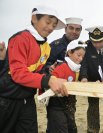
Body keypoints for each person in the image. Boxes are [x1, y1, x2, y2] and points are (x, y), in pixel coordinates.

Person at [0, 5, 68, 133]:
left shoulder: (47, 47)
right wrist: (48, 80)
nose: (50, 28)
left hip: (28, 99)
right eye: (47, 22)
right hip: (8, 98)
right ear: (34, 19)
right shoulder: (20, 38)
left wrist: (49, 74)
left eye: (53, 25)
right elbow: (18, 73)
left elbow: (38, 70)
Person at [44, 17, 83, 133]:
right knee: (55, 123)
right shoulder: (54, 45)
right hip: (55, 93)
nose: (74, 31)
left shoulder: (83, 48)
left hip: (71, 94)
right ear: (65, 29)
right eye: (71, 28)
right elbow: (43, 64)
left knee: (70, 121)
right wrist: (49, 68)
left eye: (77, 29)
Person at [80, 26, 103, 133]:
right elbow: (84, 64)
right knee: (92, 106)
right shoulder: (86, 46)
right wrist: (84, 77)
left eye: (100, 41)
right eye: (94, 42)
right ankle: (93, 129)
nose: (97, 44)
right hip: (92, 80)